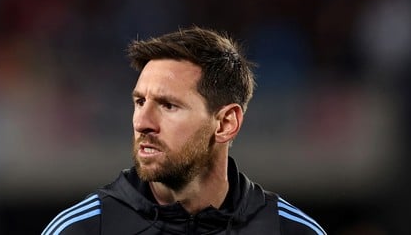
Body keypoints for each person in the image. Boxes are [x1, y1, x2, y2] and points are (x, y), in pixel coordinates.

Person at [41, 26, 326, 235]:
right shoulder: (81, 229)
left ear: (226, 123)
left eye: (168, 105)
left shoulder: (290, 230)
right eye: (140, 102)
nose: (142, 122)